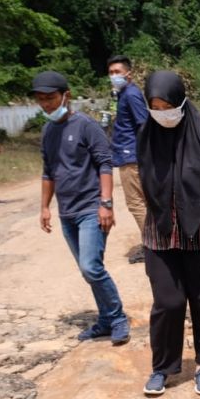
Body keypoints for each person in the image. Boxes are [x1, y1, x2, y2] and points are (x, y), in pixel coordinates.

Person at [136, 71, 200, 397]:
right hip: (160, 236)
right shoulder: (145, 137)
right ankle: (162, 367)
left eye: (167, 106)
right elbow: (144, 184)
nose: (161, 113)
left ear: (180, 102)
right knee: (168, 302)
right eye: (155, 106)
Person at [33, 70, 131, 346]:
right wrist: (44, 207)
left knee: (91, 267)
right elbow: (48, 172)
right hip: (68, 213)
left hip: (92, 208)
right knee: (88, 269)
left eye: (50, 98)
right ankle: (105, 321)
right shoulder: (48, 131)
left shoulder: (87, 126)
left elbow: (104, 164)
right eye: (41, 99)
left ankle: (118, 318)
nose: (46, 104)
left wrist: (106, 203)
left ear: (67, 95)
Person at [107, 55, 150, 263]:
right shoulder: (124, 94)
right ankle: (154, 242)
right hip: (129, 155)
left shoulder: (131, 94)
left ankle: (152, 246)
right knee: (143, 202)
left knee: (136, 203)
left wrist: (144, 154)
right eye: (111, 72)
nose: (114, 76)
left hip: (132, 157)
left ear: (128, 74)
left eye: (117, 72)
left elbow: (143, 124)